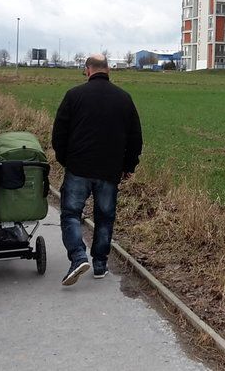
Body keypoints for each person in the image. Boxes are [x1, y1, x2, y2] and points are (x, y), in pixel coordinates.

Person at [52, 54, 142, 286]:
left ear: (88, 70)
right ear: (108, 70)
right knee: (105, 217)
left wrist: (66, 160)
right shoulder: (124, 98)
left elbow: (59, 134)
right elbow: (135, 138)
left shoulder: (74, 96)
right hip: (109, 170)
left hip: (78, 167)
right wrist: (128, 166)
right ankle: (100, 264)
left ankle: (78, 257)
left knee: (71, 214)